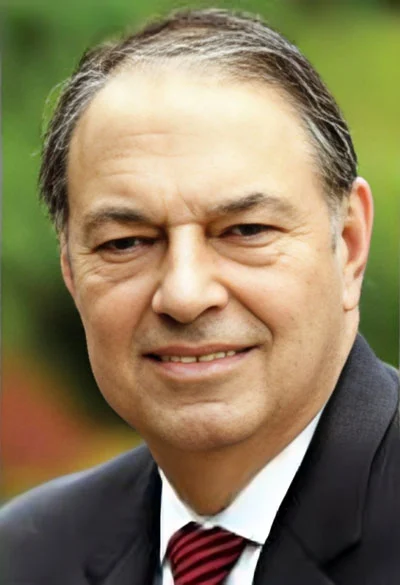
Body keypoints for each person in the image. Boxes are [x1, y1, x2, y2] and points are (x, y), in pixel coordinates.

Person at [1, 8, 399, 585]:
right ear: (70, 269)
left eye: (245, 231)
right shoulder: (25, 556)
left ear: (350, 244)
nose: (185, 295)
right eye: (126, 242)